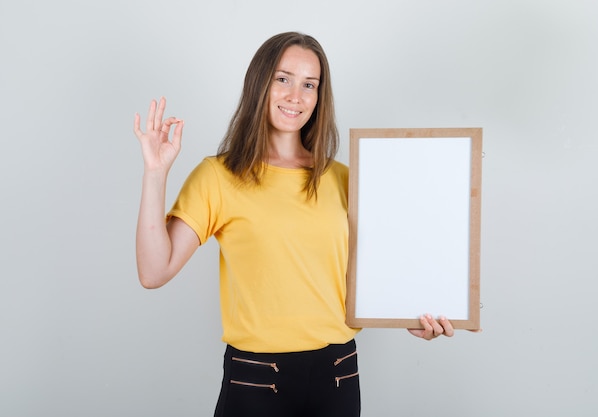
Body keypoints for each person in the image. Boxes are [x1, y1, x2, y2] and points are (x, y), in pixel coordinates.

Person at [133, 32, 454, 417]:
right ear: (260, 84)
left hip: (339, 376)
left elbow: (384, 271)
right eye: (282, 79)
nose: (295, 96)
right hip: (255, 379)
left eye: (309, 85)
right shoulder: (218, 176)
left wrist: (413, 313)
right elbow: (154, 271)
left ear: (320, 97)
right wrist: (155, 173)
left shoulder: (345, 178)